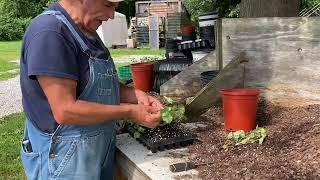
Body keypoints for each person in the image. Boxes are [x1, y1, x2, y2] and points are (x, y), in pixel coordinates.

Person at [19, 0, 163, 179]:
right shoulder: (50, 33)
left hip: (93, 152)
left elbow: (100, 85)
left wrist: (136, 95)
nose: (111, 15)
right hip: (64, 159)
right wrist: (130, 111)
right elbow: (65, 110)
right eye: (108, 5)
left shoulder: (88, 32)